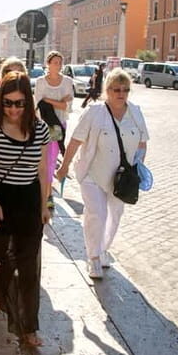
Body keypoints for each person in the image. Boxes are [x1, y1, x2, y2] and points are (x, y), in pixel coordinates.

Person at [0, 71, 51, 347]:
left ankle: (27, 329)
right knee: (1, 259)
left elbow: (43, 170)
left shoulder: (40, 129)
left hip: (29, 198)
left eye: (19, 103)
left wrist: (45, 205)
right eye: (8, 102)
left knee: (29, 266)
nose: (13, 109)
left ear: (28, 103)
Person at [56, 68, 149, 280]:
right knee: (97, 214)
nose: (121, 93)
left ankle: (103, 249)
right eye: (116, 89)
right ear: (107, 90)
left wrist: (138, 168)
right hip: (93, 174)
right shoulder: (95, 112)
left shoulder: (135, 112)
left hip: (121, 178)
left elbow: (142, 144)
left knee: (115, 216)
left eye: (125, 89)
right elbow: (76, 140)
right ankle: (94, 258)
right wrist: (64, 167)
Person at [34, 51, 73, 209]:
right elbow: (39, 104)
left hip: (59, 125)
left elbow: (67, 106)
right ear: (48, 63)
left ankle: (48, 194)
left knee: (51, 158)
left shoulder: (67, 81)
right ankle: (45, 192)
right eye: (54, 62)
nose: (57, 65)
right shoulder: (40, 81)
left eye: (59, 62)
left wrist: (48, 101)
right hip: (43, 125)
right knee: (43, 159)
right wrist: (58, 101)